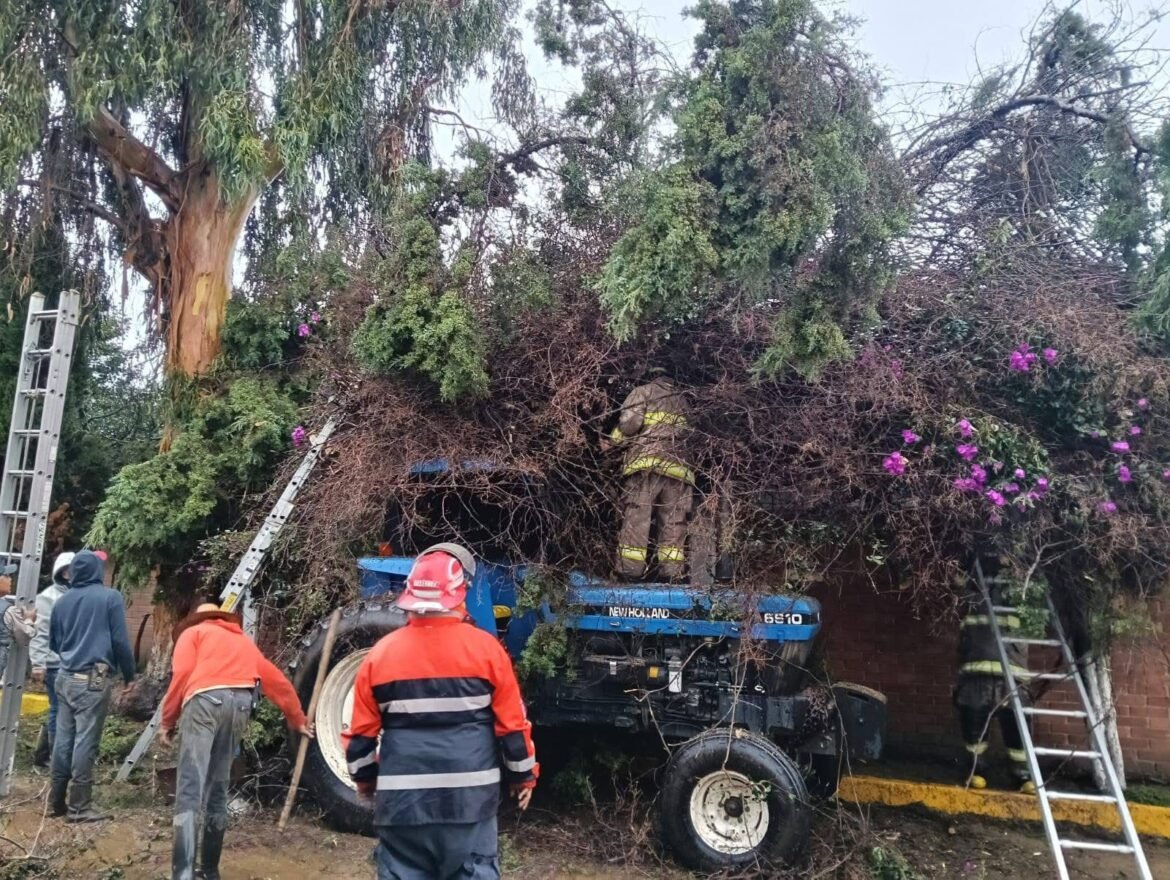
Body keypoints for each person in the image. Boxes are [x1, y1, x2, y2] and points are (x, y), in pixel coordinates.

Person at [347, 543, 538, 880]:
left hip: (402, 808)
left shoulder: (379, 656)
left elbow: (360, 741)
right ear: (459, 595)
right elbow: (513, 728)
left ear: (409, 596)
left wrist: (367, 784)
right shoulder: (487, 652)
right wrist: (523, 777)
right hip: (470, 807)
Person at [159, 602, 312, 880]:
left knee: (190, 789)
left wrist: (167, 721)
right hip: (241, 703)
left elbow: (181, 676)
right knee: (218, 788)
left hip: (204, 701)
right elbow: (277, 681)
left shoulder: (192, 634)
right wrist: (298, 719)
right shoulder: (241, 640)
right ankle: (210, 871)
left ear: (196, 619)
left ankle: (182, 874)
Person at [49, 549, 136, 822]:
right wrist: (130, 675)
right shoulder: (110, 598)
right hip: (93, 678)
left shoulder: (62, 602)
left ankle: (55, 803)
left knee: (63, 740)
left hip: (64, 677)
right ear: (98, 571)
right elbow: (121, 641)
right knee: (85, 741)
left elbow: (54, 643)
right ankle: (79, 808)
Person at [954, 553, 1036, 793]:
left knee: (1017, 723)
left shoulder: (1021, 586)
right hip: (976, 668)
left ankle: (1022, 773)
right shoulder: (972, 581)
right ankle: (976, 769)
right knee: (973, 719)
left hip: (1012, 673)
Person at [605, 371, 694, 580]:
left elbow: (628, 426)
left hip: (647, 466)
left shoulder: (643, 392)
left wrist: (613, 442)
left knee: (638, 517)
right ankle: (671, 573)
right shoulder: (685, 403)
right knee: (674, 523)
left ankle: (630, 571)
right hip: (680, 471)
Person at [31, 552, 73, 770]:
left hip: (68, 664)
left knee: (59, 710)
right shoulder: (48, 598)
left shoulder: (75, 596)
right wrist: (38, 664)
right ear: (65, 572)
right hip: (54, 664)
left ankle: (44, 755)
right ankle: (57, 761)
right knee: (59, 710)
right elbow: (39, 633)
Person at [0, 562, 36, 681]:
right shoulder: (8, 610)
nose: (10, 579)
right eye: (7, 575)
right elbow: (23, 637)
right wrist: (29, 620)